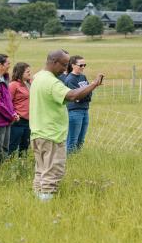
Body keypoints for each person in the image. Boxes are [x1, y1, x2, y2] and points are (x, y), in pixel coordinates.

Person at [30, 49, 103, 201]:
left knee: (41, 171)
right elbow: (72, 95)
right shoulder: (51, 82)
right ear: (54, 62)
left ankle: (37, 202)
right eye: (63, 65)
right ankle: (46, 207)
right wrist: (94, 84)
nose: (65, 69)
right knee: (53, 173)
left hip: (38, 133)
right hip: (52, 135)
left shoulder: (38, 77)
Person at [0, 54, 19, 166]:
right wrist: (11, 115)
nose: (9, 66)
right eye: (7, 64)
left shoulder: (4, 79)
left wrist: (13, 113)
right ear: (0, 65)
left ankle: (0, 170)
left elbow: (8, 100)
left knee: (4, 148)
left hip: (6, 119)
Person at [64, 55, 92, 154]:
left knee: (81, 139)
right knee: (72, 140)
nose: (83, 67)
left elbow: (89, 93)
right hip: (75, 112)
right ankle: (69, 160)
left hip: (85, 110)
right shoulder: (70, 79)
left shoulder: (83, 77)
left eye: (85, 65)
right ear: (73, 65)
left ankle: (77, 158)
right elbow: (77, 97)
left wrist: (85, 96)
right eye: (81, 65)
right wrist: (84, 96)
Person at [9, 62, 32, 157]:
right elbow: (8, 101)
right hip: (18, 120)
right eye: (27, 72)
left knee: (25, 146)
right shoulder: (13, 85)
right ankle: (8, 165)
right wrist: (14, 114)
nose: (30, 74)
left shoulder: (28, 84)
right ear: (20, 72)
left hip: (28, 121)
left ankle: (22, 166)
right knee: (13, 146)